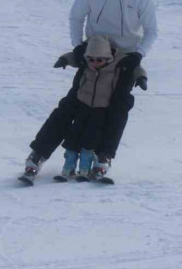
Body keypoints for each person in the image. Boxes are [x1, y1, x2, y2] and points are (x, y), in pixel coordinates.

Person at [22, 0, 158, 181]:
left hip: (124, 61)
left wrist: (139, 55)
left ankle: (104, 157)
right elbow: (76, 18)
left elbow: (152, 30)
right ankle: (38, 154)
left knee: (118, 109)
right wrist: (78, 47)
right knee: (71, 106)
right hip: (94, 56)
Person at [51, 35, 140, 179]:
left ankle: (86, 170)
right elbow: (73, 56)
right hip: (83, 107)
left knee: (90, 142)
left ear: (107, 58)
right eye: (91, 59)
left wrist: (141, 78)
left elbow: (136, 68)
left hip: (101, 110)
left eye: (99, 60)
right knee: (72, 140)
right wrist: (64, 60)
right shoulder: (87, 64)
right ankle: (68, 168)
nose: (95, 63)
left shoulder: (117, 64)